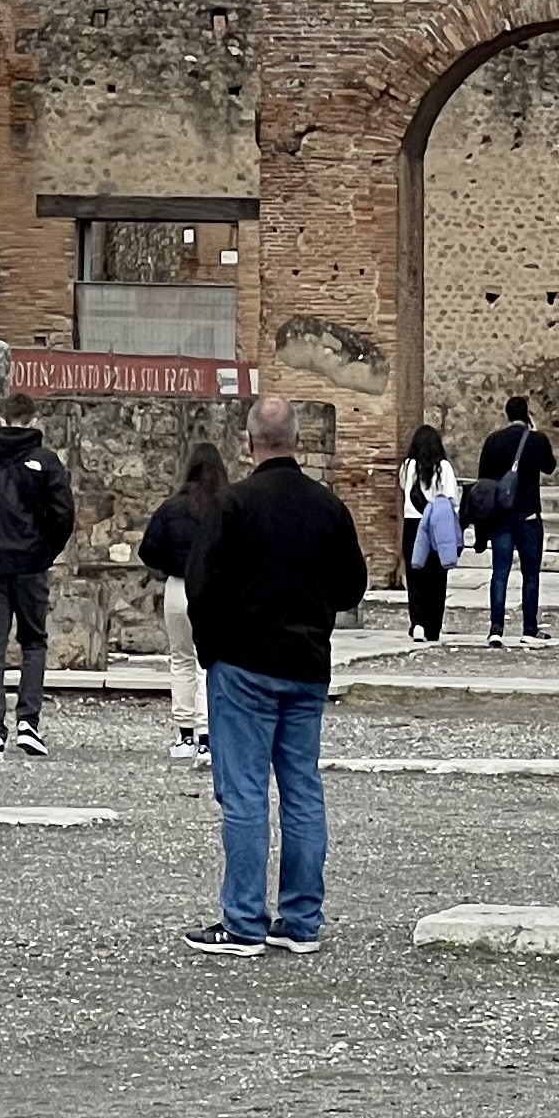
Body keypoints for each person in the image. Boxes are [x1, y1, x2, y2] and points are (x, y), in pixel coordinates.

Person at [182, 389, 369, 954]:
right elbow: (351, 587)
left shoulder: (233, 506)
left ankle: (243, 921)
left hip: (243, 664)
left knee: (243, 795)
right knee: (303, 791)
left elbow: (202, 586)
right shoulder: (328, 507)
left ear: (249, 443)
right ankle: (301, 921)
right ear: (299, 441)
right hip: (306, 665)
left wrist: (211, 652)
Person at [0, 386, 77, 763]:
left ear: (0, 420)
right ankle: (28, 723)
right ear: (34, 421)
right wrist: (44, 552)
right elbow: (63, 516)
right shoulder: (47, 462)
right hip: (29, 565)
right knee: (33, 642)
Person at [138, 439, 228, 768]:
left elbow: (147, 550)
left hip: (177, 586)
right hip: (215, 588)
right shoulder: (225, 506)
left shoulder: (172, 507)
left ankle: (184, 734)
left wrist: (167, 567)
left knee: (180, 660)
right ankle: (207, 737)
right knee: (209, 662)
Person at [476, 391, 558, 644]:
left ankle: (496, 628)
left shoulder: (493, 441)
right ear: (527, 415)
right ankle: (529, 629)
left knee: (499, 573)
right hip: (529, 515)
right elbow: (550, 467)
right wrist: (536, 431)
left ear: (507, 415)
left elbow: (483, 481)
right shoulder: (536, 440)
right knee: (530, 574)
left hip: (500, 517)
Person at [397, 421, 459, 646]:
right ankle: (433, 625)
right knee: (437, 577)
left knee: (415, 577)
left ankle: (418, 623)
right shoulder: (444, 468)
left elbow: (405, 490)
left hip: (413, 525)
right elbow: (452, 500)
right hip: (437, 525)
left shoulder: (407, 467)